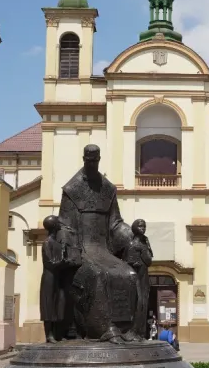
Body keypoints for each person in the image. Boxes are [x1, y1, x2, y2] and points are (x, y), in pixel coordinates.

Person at [59, 144, 140, 343]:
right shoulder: (72, 189)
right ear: (84, 159)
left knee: (128, 273)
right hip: (82, 247)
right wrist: (72, 247)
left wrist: (131, 235)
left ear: (99, 160)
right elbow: (65, 224)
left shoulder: (108, 189)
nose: (92, 163)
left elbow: (115, 222)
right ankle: (104, 329)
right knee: (98, 274)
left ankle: (126, 328)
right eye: (88, 160)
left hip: (103, 248)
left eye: (95, 160)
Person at [122, 219, 153, 338]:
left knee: (144, 302)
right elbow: (128, 262)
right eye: (140, 226)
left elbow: (149, 261)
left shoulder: (145, 242)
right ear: (134, 228)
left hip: (143, 275)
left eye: (144, 226)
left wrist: (144, 250)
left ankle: (141, 332)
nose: (143, 228)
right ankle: (133, 330)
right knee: (137, 302)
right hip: (135, 277)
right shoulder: (131, 244)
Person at [40, 215, 66, 343]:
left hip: (58, 277)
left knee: (59, 304)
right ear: (55, 226)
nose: (60, 224)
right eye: (58, 222)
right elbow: (50, 263)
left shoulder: (57, 243)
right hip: (49, 278)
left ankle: (57, 333)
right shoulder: (47, 243)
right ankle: (49, 335)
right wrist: (64, 261)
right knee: (48, 305)